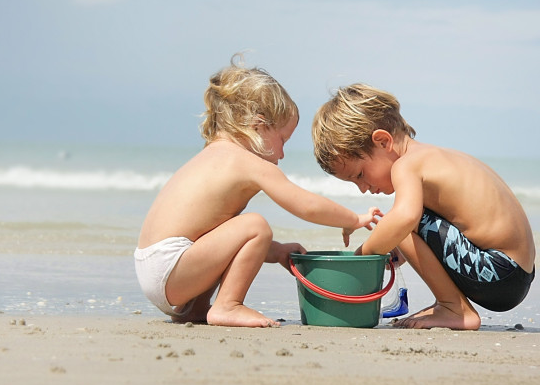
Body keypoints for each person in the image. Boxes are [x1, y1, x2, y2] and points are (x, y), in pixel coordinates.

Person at [135, 58, 380, 328]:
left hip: (158, 267)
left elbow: (215, 238)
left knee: (233, 226)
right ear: (258, 125)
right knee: (255, 225)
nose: (283, 154)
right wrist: (352, 220)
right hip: (173, 268)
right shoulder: (248, 162)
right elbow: (306, 205)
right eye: (283, 140)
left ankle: (194, 309)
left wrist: (275, 252)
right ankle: (228, 305)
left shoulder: (213, 156)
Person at [312, 84, 536, 330]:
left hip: (497, 272)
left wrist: (362, 256)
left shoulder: (406, 166)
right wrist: (396, 252)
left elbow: (406, 219)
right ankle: (450, 305)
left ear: (383, 141)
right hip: (515, 274)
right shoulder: (434, 158)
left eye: (360, 175)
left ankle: (454, 308)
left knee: (403, 222)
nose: (363, 188)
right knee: (408, 222)